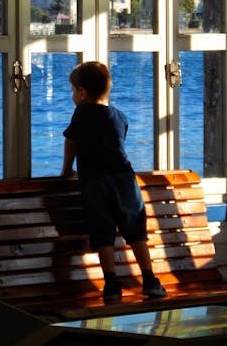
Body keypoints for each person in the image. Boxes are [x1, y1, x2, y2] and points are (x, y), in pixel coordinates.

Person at [61, 60, 167, 302]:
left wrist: (67, 170)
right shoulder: (119, 116)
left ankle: (111, 284)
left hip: (95, 182)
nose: (72, 96)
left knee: (103, 233)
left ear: (82, 92)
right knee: (136, 231)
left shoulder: (82, 113)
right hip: (124, 180)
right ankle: (149, 279)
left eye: (72, 91)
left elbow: (71, 142)